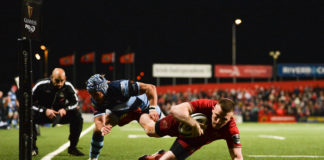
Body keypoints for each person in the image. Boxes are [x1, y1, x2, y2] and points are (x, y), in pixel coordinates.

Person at [86, 74, 162, 160]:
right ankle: (93, 158)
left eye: (96, 94)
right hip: (122, 113)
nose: (94, 97)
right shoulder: (95, 100)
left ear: (103, 89)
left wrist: (152, 108)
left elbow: (150, 88)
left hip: (142, 108)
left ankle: (160, 154)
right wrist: (102, 129)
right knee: (98, 129)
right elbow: (99, 121)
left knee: (151, 131)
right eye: (91, 94)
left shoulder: (120, 87)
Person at [139, 98, 243, 160]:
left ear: (231, 118)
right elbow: (175, 109)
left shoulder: (231, 130)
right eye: (216, 116)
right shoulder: (206, 104)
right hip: (180, 122)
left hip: (195, 139)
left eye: (224, 119)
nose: (218, 121)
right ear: (213, 109)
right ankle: (138, 112)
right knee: (150, 130)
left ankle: (159, 157)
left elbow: (237, 156)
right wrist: (194, 124)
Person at [31, 68, 84, 156]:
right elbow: (28, 102)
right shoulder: (41, 84)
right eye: (57, 80)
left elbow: (75, 102)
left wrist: (65, 109)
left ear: (65, 79)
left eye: (61, 81)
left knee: (77, 116)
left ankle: (72, 148)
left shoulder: (68, 86)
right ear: (51, 77)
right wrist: (44, 110)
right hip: (42, 114)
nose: (59, 83)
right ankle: (32, 149)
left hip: (60, 115)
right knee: (29, 116)